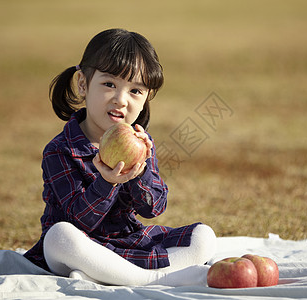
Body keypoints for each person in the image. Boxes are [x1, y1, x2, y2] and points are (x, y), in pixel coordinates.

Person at [24, 28, 217, 286]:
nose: (120, 100)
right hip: (81, 246)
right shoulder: (60, 150)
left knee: (203, 236)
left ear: (148, 97)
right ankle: (151, 279)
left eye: (135, 91)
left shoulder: (141, 145)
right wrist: (107, 182)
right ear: (83, 84)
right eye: (109, 84)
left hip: (126, 243)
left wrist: (142, 171)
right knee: (59, 237)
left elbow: (153, 209)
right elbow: (81, 220)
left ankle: (125, 275)